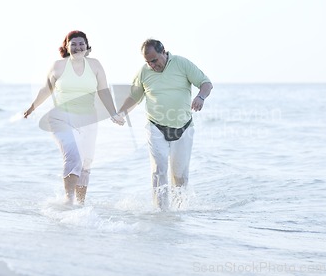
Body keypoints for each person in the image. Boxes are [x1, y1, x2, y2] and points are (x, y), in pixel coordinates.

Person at [24, 30, 124, 205]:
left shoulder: (95, 65)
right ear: (67, 47)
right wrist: (33, 107)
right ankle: (68, 202)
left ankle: (80, 205)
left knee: (85, 163)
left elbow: (103, 91)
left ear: (87, 46)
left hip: (88, 120)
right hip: (62, 119)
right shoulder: (58, 66)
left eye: (81, 43)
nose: (78, 47)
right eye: (74, 44)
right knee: (74, 158)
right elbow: (46, 89)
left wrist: (113, 113)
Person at [117, 39, 212, 210]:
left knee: (180, 174)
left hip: (183, 127)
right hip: (156, 127)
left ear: (164, 52)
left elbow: (206, 83)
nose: (152, 65)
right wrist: (121, 112)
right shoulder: (144, 72)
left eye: (154, 60)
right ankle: (161, 212)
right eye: (148, 62)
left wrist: (201, 97)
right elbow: (134, 97)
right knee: (159, 169)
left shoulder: (181, 64)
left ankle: (179, 211)